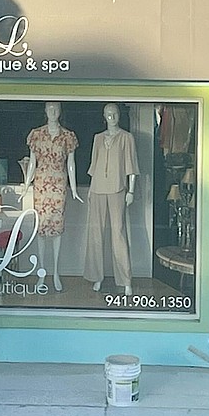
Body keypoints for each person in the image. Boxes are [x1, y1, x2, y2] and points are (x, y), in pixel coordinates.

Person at [23, 102, 82, 292]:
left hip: (58, 186)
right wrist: (25, 185)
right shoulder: (36, 135)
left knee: (56, 229)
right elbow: (32, 162)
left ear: (60, 112)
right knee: (41, 229)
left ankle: (55, 271)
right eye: (49, 109)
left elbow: (71, 164)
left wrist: (73, 188)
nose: (53, 112)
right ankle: (42, 272)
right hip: (41, 185)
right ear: (45, 111)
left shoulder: (68, 136)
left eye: (56, 109)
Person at [83, 103, 138, 294]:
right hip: (98, 188)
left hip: (117, 189)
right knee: (96, 234)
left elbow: (131, 165)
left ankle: (125, 279)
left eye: (114, 113)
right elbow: (94, 165)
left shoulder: (126, 138)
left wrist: (131, 191)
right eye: (108, 114)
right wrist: (90, 190)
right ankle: (97, 277)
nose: (111, 117)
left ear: (119, 115)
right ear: (104, 116)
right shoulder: (98, 138)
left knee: (119, 234)